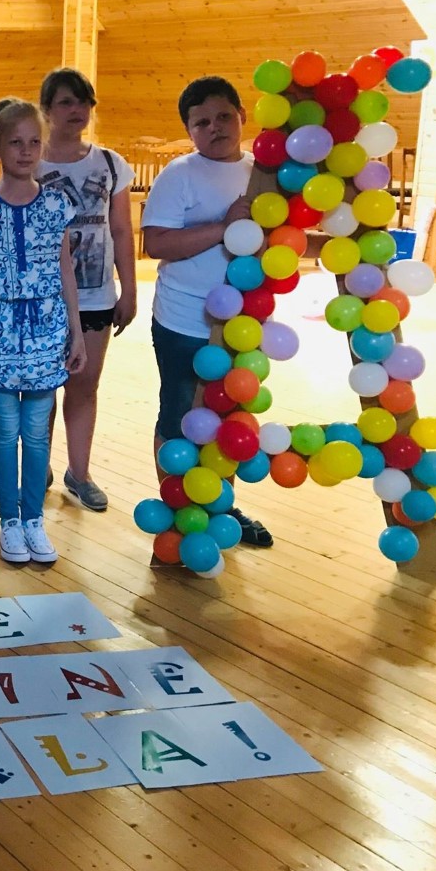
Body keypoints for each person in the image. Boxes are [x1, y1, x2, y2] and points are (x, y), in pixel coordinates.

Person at [0, 98, 85, 565]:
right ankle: (9, 519)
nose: (25, 151)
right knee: (6, 430)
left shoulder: (57, 205)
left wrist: (77, 333)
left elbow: (65, 271)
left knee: (38, 432)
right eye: (15, 143)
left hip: (47, 327)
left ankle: (34, 520)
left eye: (33, 142)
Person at [142, 76, 272, 548]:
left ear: (242, 116)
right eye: (201, 123)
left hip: (243, 323)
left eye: (223, 116)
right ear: (189, 131)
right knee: (180, 416)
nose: (214, 128)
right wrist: (224, 226)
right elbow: (156, 243)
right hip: (184, 321)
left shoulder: (262, 174)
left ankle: (220, 509)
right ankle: (178, 516)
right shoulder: (179, 175)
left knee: (229, 419)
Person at [37, 68, 138, 513]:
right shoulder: (32, 161)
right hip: (43, 297)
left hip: (96, 295)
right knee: (42, 388)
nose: (77, 110)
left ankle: (80, 472)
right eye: (66, 102)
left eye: (84, 102)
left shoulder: (111, 163)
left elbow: (121, 229)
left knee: (84, 385)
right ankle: (37, 467)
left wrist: (129, 288)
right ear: (46, 110)